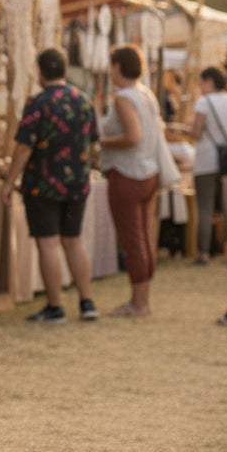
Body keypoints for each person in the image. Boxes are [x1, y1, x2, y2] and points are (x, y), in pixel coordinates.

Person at [2, 48, 99, 323]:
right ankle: (87, 301)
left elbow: (23, 147)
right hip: (78, 182)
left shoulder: (38, 103)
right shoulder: (83, 100)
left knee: (48, 244)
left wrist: (10, 181)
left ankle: (55, 306)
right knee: (73, 240)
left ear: (40, 71)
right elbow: (93, 141)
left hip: (44, 183)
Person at [98, 45, 163, 317]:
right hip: (148, 172)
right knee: (143, 238)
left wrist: (101, 142)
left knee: (133, 239)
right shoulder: (146, 94)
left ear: (117, 67)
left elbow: (132, 136)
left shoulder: (124, 97)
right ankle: (141, 299)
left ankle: (139, 303)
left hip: (128, 173)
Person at [188, 66, 227, 265]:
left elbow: (196, 132)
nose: (199, 86)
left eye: (201, 82)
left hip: (206, 159)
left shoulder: (203, 102)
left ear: (210, 82)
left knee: (205, 207)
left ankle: (204, 253)